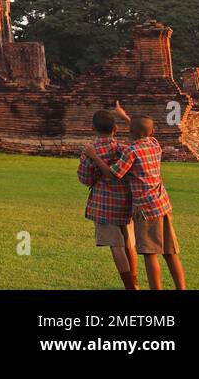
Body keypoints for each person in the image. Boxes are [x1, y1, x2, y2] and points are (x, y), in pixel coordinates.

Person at [83, 113, 186, 290]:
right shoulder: (155, 144)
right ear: (152, 131)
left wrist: (94, 156)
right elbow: (141, 129)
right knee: (170, 252)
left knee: (150, 253)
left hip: (145, 209)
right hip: (162, 203)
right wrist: (124, 116)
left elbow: (113, 174)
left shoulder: (131, 151)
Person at [77, 103, 139, 290]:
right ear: (115, 129)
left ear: (92, 128)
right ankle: (135, 282)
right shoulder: (124, 149)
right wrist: (126, 115)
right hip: (126, 201)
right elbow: (141, 137)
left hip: (104, 204)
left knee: (116, 246)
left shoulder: (90, 152)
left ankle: (130, 287)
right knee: (128, 242)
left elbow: (85, 178)